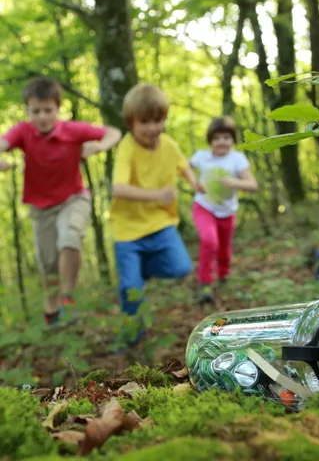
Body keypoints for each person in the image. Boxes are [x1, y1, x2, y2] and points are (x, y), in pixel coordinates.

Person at [0, 76, 122, 325]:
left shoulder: (73, 130)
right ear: (27, 110)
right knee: (48, 264)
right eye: (36, 111)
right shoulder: (23, 131)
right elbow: (3, 142)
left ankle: (68, 298)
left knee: (69, 237)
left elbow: (114, 132)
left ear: (57, 109)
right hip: (41, 207)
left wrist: (99, 148)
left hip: (73, 198)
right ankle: (53, 310)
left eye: (48, 110)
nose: (42, 116)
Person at [110, 83, 199, 343]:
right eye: (145, 122)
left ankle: (143, 268)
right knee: (131, 288)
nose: (152, 128)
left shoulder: (168, 145)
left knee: (181, 267)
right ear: (131, 122)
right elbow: (118, 188)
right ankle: (131, 337)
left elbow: (183, 166)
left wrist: (195, 183)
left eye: (158, 120)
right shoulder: (127, 147)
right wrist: (157, 195)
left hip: (160, 223)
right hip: (127, 230)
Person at [190, 116, 258, 304]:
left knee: (224, 248)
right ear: (210, 140)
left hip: (227, 211)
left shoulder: (237, 159)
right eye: (217, 138)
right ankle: (205, 282)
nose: (222, 142)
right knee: (209, 240)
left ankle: (223, 273)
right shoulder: (201, 156)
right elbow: (183, 169)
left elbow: (253, 184)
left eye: (226, 138)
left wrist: (234, 182)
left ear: (232, 140)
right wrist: (194, 183)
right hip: (204, 206)